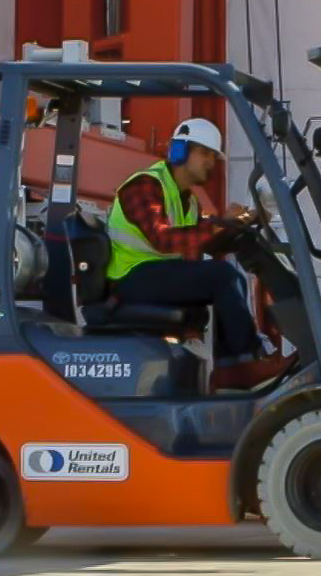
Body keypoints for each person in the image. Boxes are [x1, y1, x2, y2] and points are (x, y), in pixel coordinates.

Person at [105, 117, 293, 390]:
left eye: (213, 156)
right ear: (180, 151)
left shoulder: (189, 200)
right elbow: (163, 239)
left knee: (230, 277)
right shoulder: (145, 186)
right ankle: (245, 363)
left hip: (154, 276)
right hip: (129, 278)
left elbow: (203, 242)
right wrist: (220, 224)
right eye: (204, 153)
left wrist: (242, 222)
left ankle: (231, 369)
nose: (211, 162)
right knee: (222, 276)